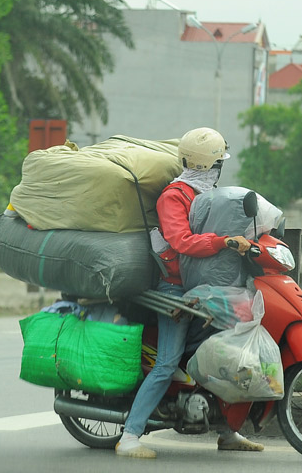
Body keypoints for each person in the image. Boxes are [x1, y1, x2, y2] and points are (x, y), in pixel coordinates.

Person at [115, 127, 264, 459]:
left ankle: (227, 432)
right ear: (207, 165)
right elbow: (181, 241)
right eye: (217, 163)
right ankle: (129, 436)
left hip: (204, 286)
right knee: (167, 362)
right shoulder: (174, 196)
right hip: (175, 287)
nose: (220, 169)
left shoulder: (209, 195)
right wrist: (222, 242)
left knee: (221, 350)